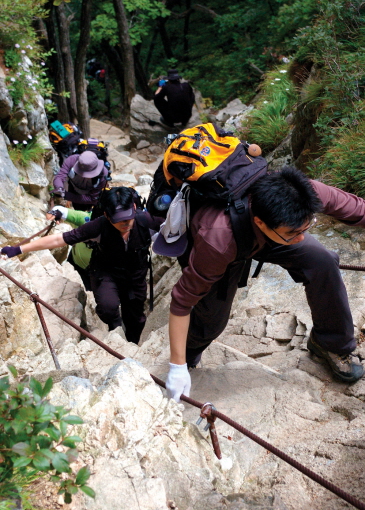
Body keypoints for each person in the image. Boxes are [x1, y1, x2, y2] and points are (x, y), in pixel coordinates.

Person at [154, 167, 365, 402]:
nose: (302, 237)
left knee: (321, 259)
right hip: (228, 243)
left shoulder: (300, 193)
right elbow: (182, 301)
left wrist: (293, 233)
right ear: (260, 223)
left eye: (308, 226)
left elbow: (358, 209)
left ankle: (331, 342)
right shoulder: (217, 242)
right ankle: (189, 357)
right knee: (211, 322)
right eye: (294, 232)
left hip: (267, 233)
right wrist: (177, 365)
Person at [1, 187, 164, 344]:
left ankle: (132, 342)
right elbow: (59, 239)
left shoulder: (146, 221)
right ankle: (115, 325)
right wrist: (18, 249)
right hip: (106, 272)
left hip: (135, 275)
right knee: (108, 307)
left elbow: (176, 228)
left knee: (136, 317)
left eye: (128, 218)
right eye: (118, 220)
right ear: (107, 215)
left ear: (134, 208)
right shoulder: (99, 226)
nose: (124, 224)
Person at [46, 206, 93, 291]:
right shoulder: (88, 219)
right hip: (75, 263)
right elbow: (60, 210)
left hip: (99, 275)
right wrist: (56, 213)